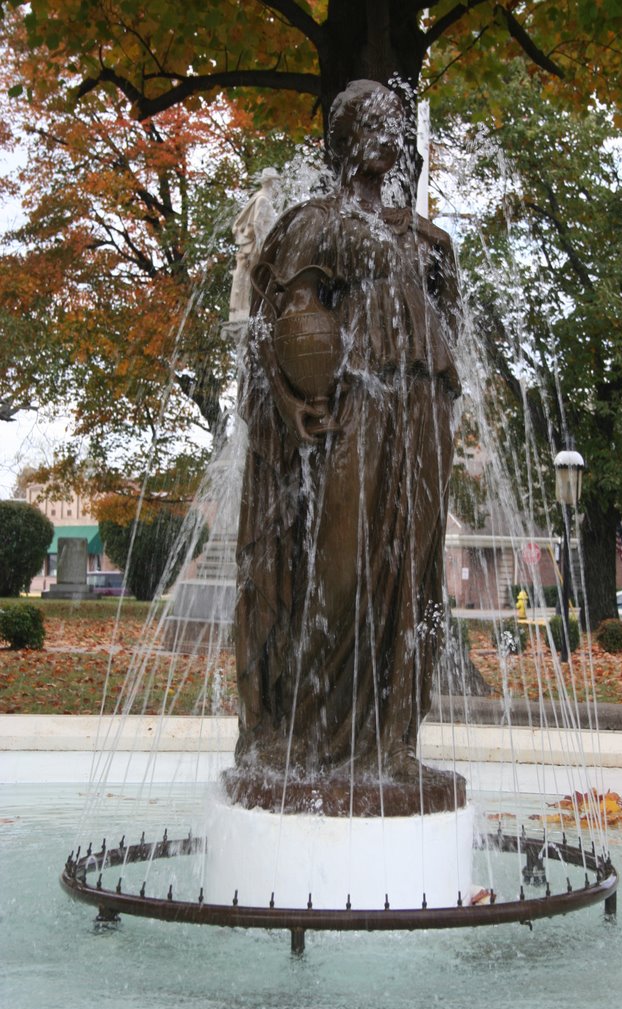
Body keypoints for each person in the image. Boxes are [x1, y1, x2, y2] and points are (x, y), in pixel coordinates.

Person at [234, 80, 461, 781]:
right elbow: (285, 317)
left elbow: (451, 327)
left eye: (395, 120)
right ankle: (297, 733)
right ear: (343, 139)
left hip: (422, 406)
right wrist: (289, 390)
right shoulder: (320, 222)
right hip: (359, 402)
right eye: (374, 119)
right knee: (339, 565)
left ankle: (394, 743)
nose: (389, 132)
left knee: (412, 576)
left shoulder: (423, 237)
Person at [228, 167, 280, 322]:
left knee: (250, 278)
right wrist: (262, 245)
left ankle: (247, 309)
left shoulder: (260, 197)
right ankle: (244, 310)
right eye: (276, 181)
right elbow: (257, 223)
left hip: (255, 245)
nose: (278, 185)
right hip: (256, 246)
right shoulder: (263, 199)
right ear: (270, 182)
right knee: (251, 278)